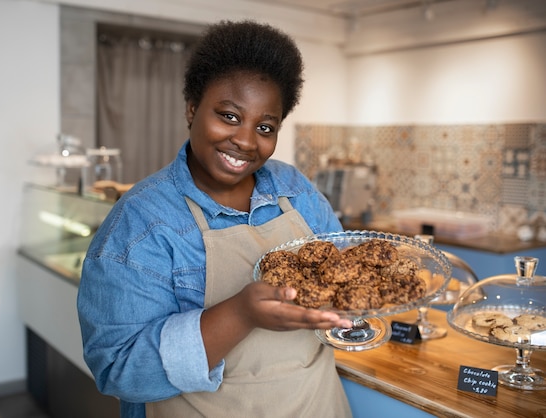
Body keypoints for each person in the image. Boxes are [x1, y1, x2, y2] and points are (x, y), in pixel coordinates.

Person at [77, 19, 353, 418]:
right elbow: (119, 371)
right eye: (228, 116)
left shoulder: (294, 190)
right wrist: (241, 313)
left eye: (264, 127)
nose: (245, 140)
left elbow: (343, 272)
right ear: (192, 109)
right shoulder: (141, 223)